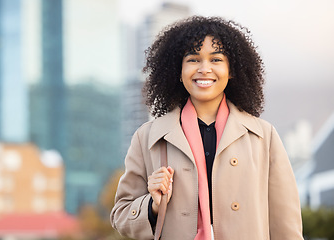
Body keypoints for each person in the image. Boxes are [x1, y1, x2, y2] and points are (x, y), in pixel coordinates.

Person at [110, 16, 303, 240]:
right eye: (193, 59)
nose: (204, 69)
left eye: (216, 59)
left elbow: (286, 225)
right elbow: (120, 216)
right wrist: (152, 205)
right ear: (178, 71)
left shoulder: (264, 136)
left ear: (231, 70)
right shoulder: (147, 138)